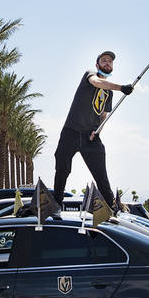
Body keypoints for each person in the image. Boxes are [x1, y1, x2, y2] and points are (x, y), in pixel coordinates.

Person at [51, 50, 135, 216]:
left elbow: (103, 116)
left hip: (90, 137)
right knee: (62, 169)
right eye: (104, 61)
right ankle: (55, 206)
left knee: (101, 175)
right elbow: (97, 82)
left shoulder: (109, 93)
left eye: (110, 62)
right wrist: (121, 88)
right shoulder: (90, 75)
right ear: (98, 65)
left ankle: (112, 209)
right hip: (71, 132)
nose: (107, 63)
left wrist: (97, 132)